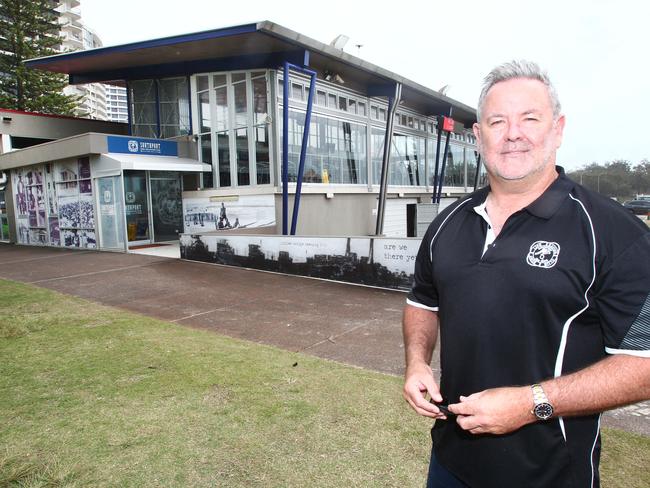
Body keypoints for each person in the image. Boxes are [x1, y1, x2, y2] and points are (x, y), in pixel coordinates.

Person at [402, 60, 650, 488]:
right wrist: (416, 362)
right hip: (449, 462)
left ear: (557, 129)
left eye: (529, 119)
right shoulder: (448, 223)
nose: (513, 133)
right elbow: (422, 302)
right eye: (497, 121)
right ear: (478, 136)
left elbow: (645, 362)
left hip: (549, 473)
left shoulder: (611, 232)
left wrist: (531, 403)